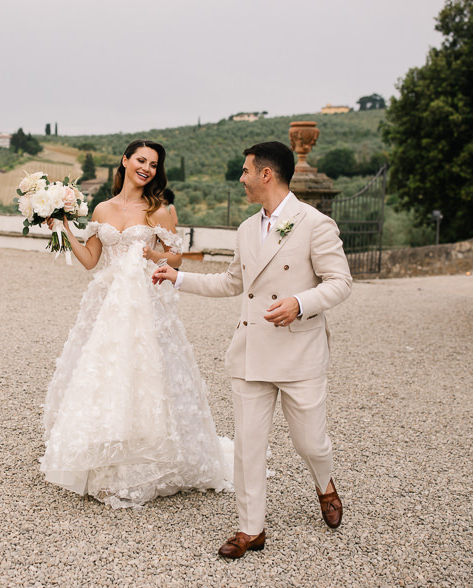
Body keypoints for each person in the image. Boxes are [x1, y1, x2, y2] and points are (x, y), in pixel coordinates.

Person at [152, 141, 352, 558]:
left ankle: (325, 483)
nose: (240, 179)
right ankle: (250, 529)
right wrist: (178, 277)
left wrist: (300, 303)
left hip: (300, 353)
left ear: (266, 174)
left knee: (311, 443)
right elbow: (231, 282)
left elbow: (340, 282)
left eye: (245, 171)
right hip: (251, 352)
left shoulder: (315, 223)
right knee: (248, 447)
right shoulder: (245, 229)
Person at [40, 139, 230, 508]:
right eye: (141, 160)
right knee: (106, 371)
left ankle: (147, 452)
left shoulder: (159, 210)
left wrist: (153, 253)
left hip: (145, 302)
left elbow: (176, 256)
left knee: (146, 375)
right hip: (107, 302)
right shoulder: (102, 209)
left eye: (154, 164)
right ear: (125, 161)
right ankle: (104, 450)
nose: (147, 168)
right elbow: (91, 260)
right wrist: (62, 228)